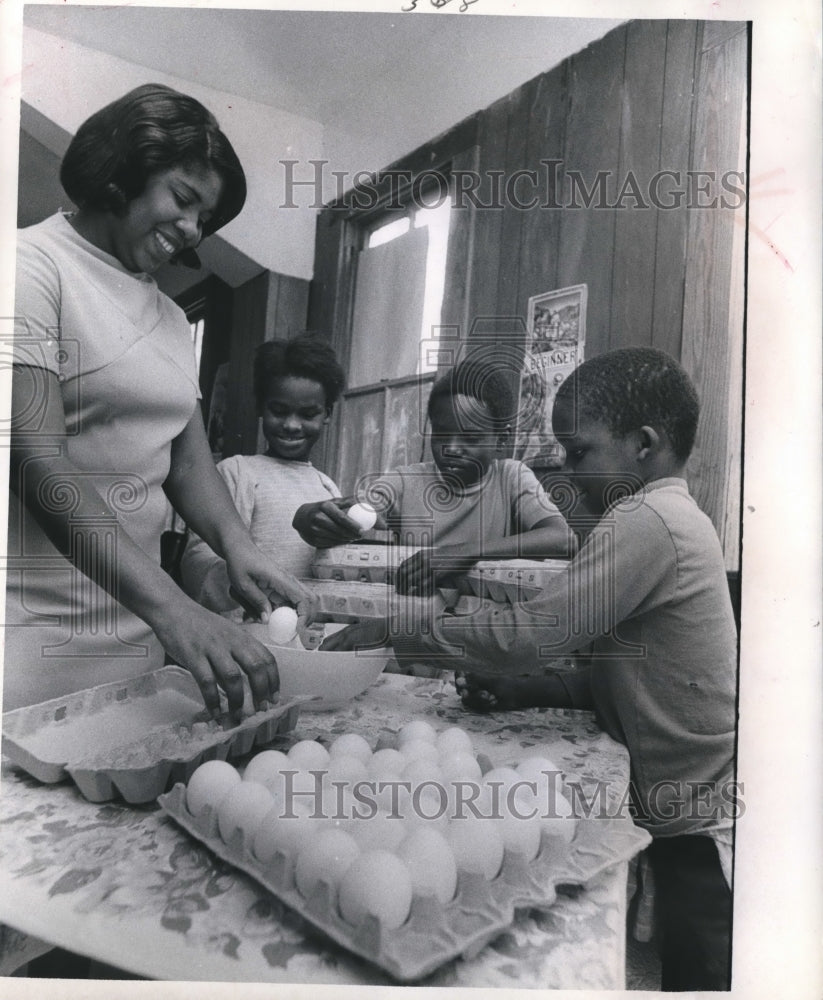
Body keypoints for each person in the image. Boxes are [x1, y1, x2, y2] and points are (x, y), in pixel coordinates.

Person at [324, 347, 737, 991]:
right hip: (679, 792)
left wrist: (397, 630)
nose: (569, 474)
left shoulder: (646, 519)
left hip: (696, 808)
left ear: (644, 445)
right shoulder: (663, 515)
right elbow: (616, 671)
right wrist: (527, 690)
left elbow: (530, 632)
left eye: (580, 453)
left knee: (703, 965)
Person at [5, 84, 315, 717]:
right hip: (33, 643)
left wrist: (240, 547)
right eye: (183, 199)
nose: (193, 229)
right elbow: (39, 464)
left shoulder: (172, 318)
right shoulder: (30, 266)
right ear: (124, 172)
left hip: (140, 638)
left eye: (205, 217)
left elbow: (186, 461)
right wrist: (176, 606)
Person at [293, 358, 576, 596]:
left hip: (481, 624)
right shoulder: (405, 482)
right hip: (414, 620)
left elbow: (562, 539)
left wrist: (463, 552)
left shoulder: (511, 477)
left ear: (501, 438)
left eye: (471, 437)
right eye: (441, 433)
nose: (451, 448)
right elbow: (363, 508)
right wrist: (309, 516)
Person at [180, 334, 344, 613]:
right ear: (260, 407)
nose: (292, 425)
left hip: (304, 633)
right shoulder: (238, 473)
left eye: (308, 414)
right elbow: (196, 562)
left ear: (326, 414)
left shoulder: (327, 487)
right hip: (246, 629)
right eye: (279, 411)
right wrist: (242, 588)